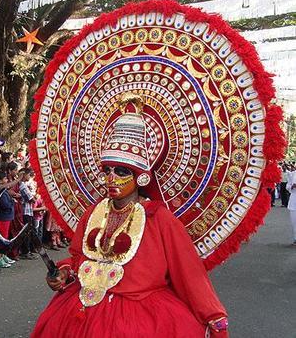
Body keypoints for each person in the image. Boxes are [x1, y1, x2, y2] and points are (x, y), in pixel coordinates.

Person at [32, 113, 228, 338]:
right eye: (107, 171)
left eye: (121, 171)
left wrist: (213, 317)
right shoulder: (94, 212)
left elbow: (189, 275)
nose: (111, 178)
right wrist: (64, 272)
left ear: (141, 177)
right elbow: (79, 258)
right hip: (82, 311)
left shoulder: (159, 219)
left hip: (139, 317)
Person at [0, 171, 16, 268]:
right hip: (2, 217)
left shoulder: (4, 190)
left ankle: (3, 255)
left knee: (5, 238)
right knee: (1, 238)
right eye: (5, 179)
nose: (7, 180)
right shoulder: (0, 191)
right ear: (0, 181)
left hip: (6, 217)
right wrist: (12, 202)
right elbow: (5, 205)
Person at [18, 168, 37, 260]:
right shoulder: (22, 185)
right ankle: (26, 251)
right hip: (26, 211)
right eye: (28, 174)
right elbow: (32, 199)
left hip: (28, 211)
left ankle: (28, 250)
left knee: (29, 232)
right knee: (27, 232)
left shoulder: (23, 185)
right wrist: (33, 197)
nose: (29, 176)